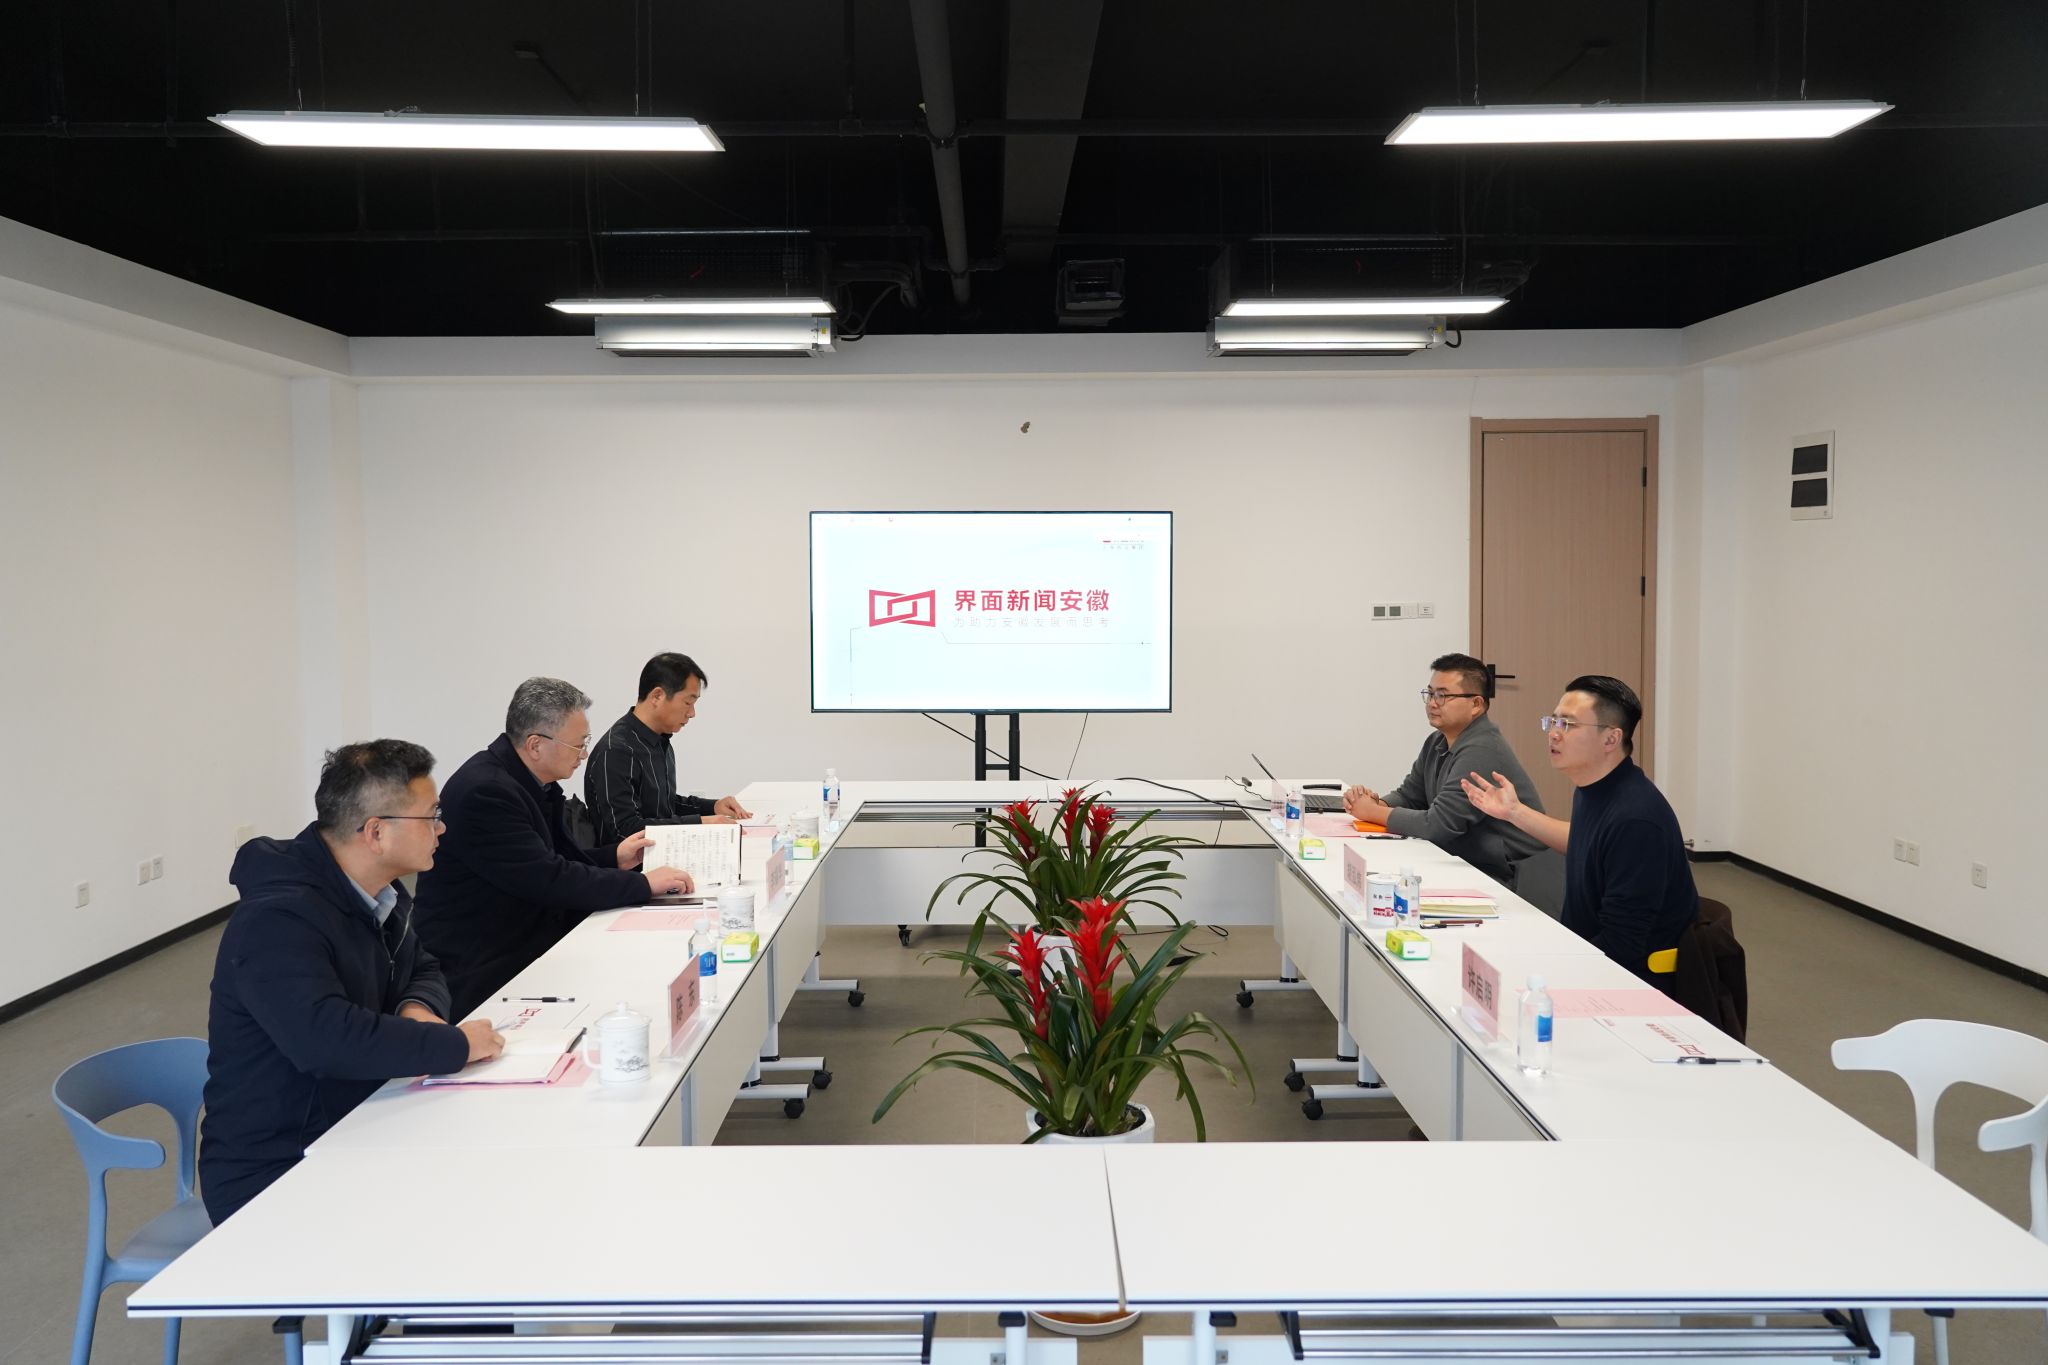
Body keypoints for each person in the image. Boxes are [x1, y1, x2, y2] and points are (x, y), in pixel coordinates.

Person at [199, 741, 504, 1223]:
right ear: (376, 832)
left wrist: (417, 1009)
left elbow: (422, 967)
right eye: (431, 815)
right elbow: (326, 1039)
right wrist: (456, 1046)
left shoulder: (378, 893)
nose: (442, 827)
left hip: (361, 1117)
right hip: (279, 1168)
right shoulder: (276, 920)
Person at [415, 677, 694, 1020]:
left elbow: (551, 861)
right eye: (578, 744)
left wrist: (614, 857)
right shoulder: (486, 793)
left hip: (525, 937)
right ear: (536, 745)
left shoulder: (529, 782)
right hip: (486, 966)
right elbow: (548, 878)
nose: (585, 754)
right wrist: (643, 884)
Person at [1462, 675, 1698, 982]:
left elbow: (1621, 946)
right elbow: (1586, 843)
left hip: (1632, 980)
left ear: (1611, 739)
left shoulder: (1636, 819)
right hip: (1586, 953)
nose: (1554, 734)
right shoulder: (1598, 788)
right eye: (1553, 721)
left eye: (1568, 724)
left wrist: (1549, 969)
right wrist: (1513, 812)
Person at [1341, 653, 1549, 889]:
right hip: (1470, 860)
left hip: (1511, 875)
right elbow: (1411, 795)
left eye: (1443, 695)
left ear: (1476, 704)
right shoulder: (1437, 740)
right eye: (1430, 694)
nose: (1432, 703)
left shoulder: (1483, 749)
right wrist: (1377, 803)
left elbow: (1437, 826)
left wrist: (1371, 812)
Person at [586, 651, 752, 846]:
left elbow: (663, 805)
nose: (692, 713)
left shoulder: (658, 740)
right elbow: (624, 830)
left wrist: (713, 807)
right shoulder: (617, 751)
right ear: (657, 696)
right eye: (688, 702)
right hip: (635, 863)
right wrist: (699, 823)